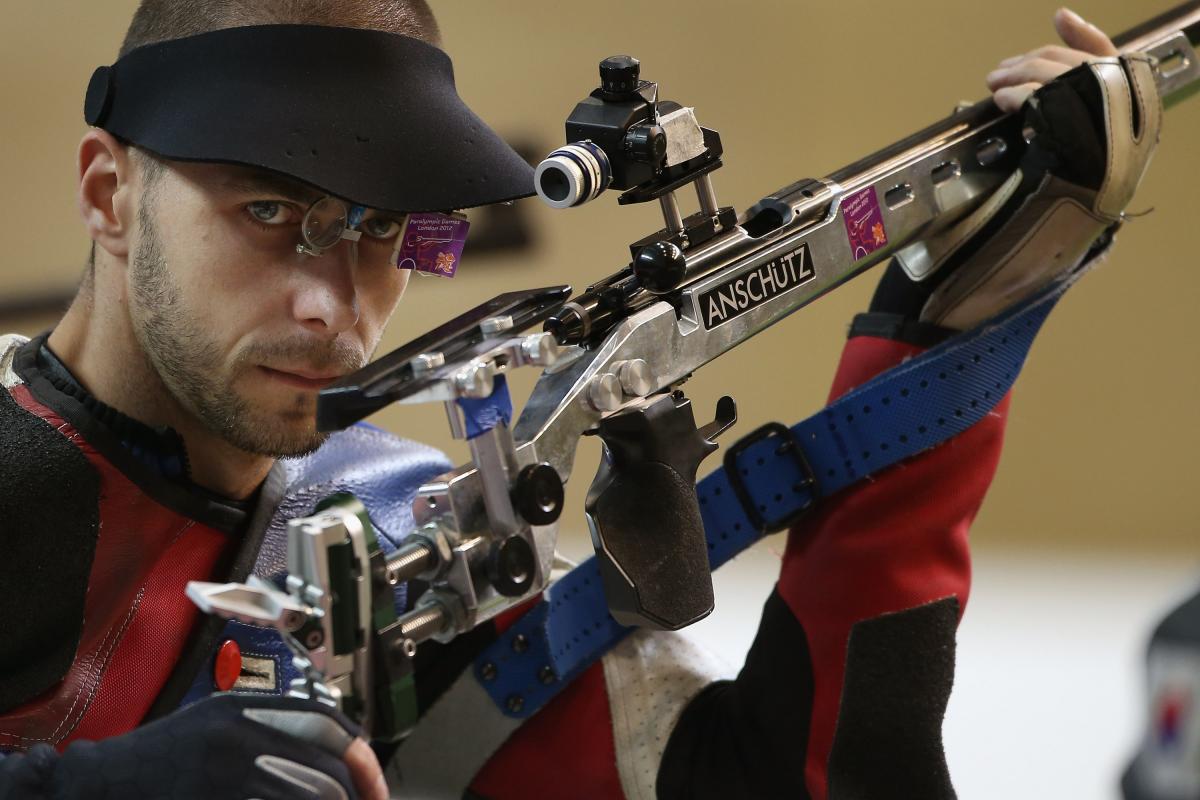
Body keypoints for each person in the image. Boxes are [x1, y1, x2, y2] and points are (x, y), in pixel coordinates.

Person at [0, 3, 1163, 799]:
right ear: (108, 191)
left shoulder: (398, 541)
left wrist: (942, 327)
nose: (331, 304)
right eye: (269, 213)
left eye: (385, 232)